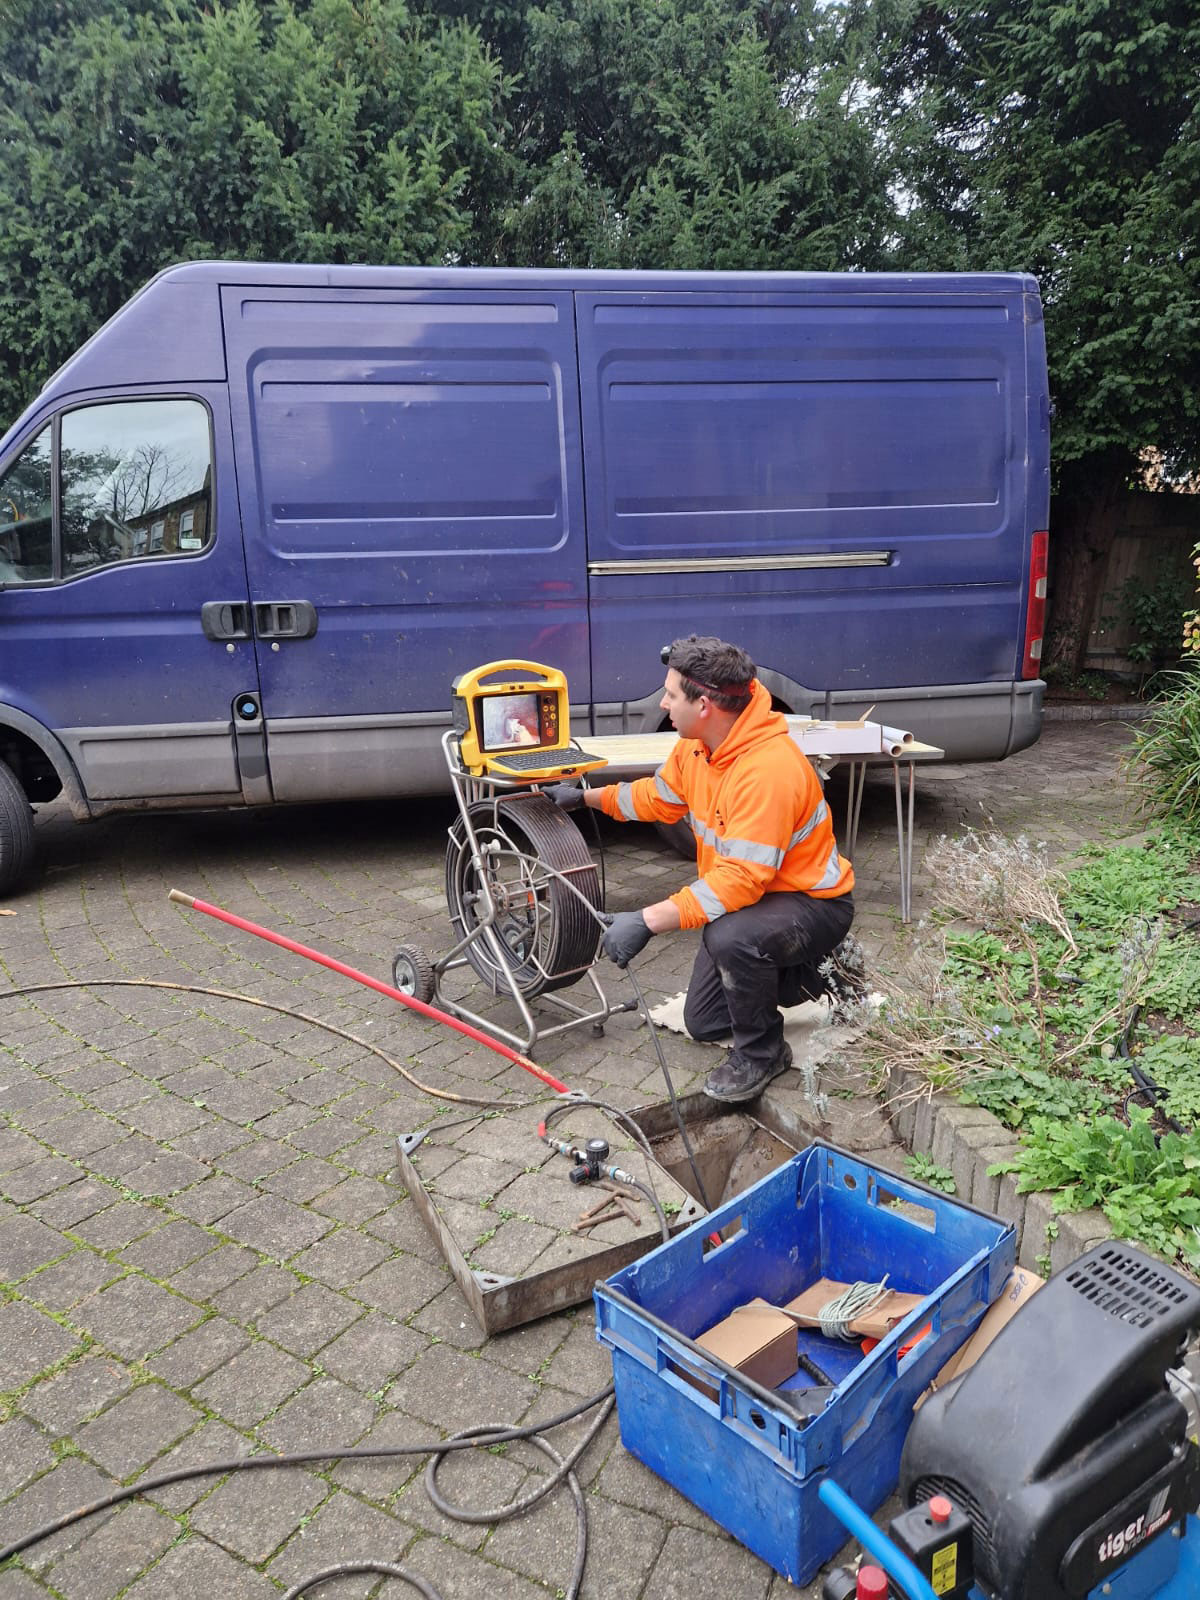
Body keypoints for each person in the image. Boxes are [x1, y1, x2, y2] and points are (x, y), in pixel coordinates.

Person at [549, 636, 855, 1103]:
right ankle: (816, 971)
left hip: (812, 902)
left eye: (671, 694)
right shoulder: (698, 747)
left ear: (706, 704)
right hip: (759, 901)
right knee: (705, 1021)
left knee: (730, 938)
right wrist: (586, 797)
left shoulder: (766, 770)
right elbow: (659, 798)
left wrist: (647, 920)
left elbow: (739, 880)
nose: (663, 702)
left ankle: (762, 1054)